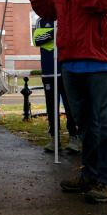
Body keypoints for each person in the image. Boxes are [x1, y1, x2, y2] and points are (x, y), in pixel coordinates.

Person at [26, 0, 107, 204]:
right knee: (84, 124)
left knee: (106, 123)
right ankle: (90, 174)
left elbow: (105, 2)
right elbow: (48, 12)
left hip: (100, 59)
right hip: (70, 61)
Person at [32, 16, 79, 153]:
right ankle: (54, 137)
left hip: (66, 70)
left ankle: (73, 136)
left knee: (70, 105)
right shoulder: (41, 21)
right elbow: (37, 40)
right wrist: (53, 33)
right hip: (48, 72)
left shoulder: (67, 17)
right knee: (52, 106)